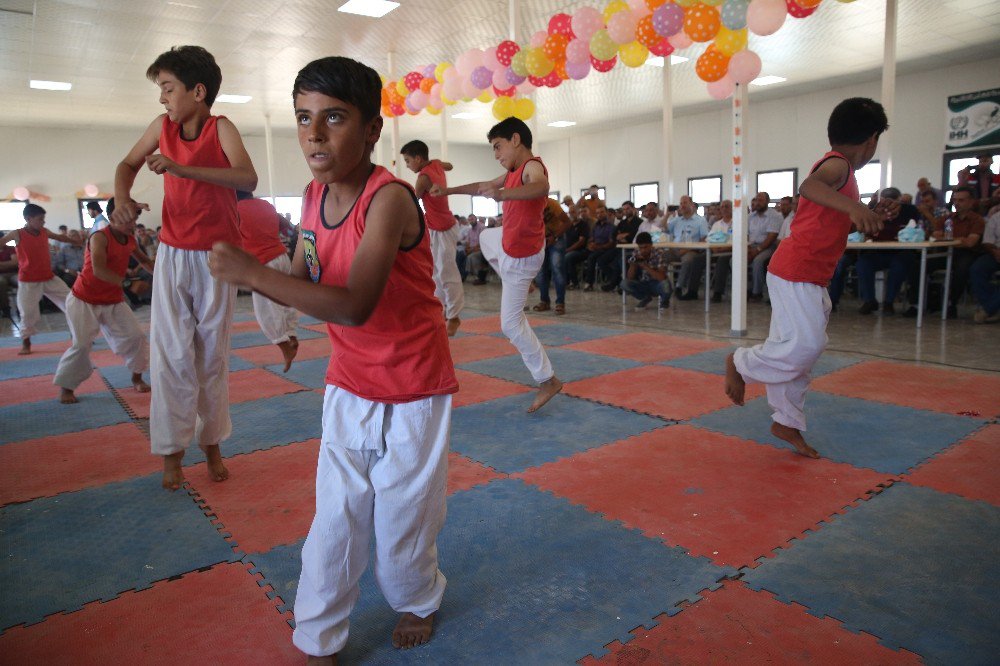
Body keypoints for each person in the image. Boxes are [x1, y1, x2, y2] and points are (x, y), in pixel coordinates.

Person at [207, 56, 457, 661]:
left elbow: (351, 307)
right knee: (336, 516)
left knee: (403, 510)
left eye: (334, 118)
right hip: (348, 382)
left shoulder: (390, 200)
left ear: (372, 130)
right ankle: (319, 634)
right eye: (303, 118)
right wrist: (256, 271)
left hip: (415, 384)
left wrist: (248, 273)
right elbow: (300, 275)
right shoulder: (314, 195)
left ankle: (417, 598)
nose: (313, 134)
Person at [111, 45, 258, 491]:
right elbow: (126, 164)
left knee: (211, 359)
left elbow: (247, 179)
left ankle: (211, 444)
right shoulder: (162, 127)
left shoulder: (221, 128)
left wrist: (183, 168)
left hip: (217, 257)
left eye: (168, 88)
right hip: (174, 255)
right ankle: (171, 452)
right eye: (161, 89)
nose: (162, 99)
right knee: (171, 357)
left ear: (198, 91)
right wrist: (121, 200)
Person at [725, 97, 890, 459]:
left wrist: (867, 215)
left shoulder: (846, 177)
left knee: (797, 350)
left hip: (809, 274)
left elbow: (828, 219)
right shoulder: (838, 166)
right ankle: (740, 363)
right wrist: (854, 207)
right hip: (796, 270)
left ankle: (787, 420)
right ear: (871, 140)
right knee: (804, 345)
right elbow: (809, 187)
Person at [431, 116, 562, 413]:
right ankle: (524, 281)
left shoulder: (531, 167)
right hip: (513, 247)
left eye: (498, 147)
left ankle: (547, 379)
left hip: (522, 253)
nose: (497, 154)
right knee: (490, 237)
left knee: (510, 324)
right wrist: (449, 192)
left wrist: (502, 195)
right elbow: (482, 186)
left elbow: (541, 188)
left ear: (516, 140)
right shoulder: (513, 171)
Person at [54, 203, 153, 404]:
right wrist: (127, 284)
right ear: (112, 216)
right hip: (84, 299)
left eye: (134, 219)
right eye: (127, 219)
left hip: (112, 300)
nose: (132, 224)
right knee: (81, 345)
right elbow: (99, 270)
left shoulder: (130, 240)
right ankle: (67, 387)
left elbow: (145, 262)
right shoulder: (99, 237)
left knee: (136, 337)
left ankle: (137, 378)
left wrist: (164, 276)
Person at [400, 140, 464, 336]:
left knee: (446, 272)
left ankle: (454, 316)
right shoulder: (435, 164)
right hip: (436, 227)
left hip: (444, 227)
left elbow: (412, 202)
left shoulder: (423, 178)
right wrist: (438, 162)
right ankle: (443, 310)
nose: (407, 165)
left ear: (418, 158)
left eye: (408, 160)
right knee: (435, 272)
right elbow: (450, 165)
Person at [0, 204, 82, 355]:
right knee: (27, 313)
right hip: (28, 281)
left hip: (49, 278)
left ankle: (77, 335)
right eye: (40, 219)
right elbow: (2, 241)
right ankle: (26, 343)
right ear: (28, 219)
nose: (43, 222)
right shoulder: (17, 234)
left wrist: (74, 241)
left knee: (72, 302)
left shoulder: (44, 231)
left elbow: (60, 237)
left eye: (44, 219)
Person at [237, 191, 300, 371]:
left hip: (263, 261)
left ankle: (284, 346)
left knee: (266, 307)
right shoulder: (266, 205)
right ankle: (291, 334)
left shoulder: (234, 209)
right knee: (286, 300)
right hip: (281, 256)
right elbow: (287, 227)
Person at [854, 187, 920, 315]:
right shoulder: (876, 210)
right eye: (885, 202)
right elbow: (865, 231)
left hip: (900, 252)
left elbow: (916, 229)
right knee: (862, 264)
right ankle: (869, 301)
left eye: (892, 202)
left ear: (899, 201)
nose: (889, 206)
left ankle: (889, 302)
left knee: (899, 266)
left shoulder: (909, 211)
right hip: (877, 251)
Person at [928, 185, 985, 318]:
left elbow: (971, 242)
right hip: (946, 252)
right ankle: (919, 303)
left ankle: (951, 303)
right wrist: (959, 240)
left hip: (967, 254)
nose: (957, 203)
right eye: (955, 200)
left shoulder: (977, 220)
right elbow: (935, 236)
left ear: (971, 202)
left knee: (962, 268)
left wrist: (948, 239)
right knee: (919, 264)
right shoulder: (946, 219)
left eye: (961, 200)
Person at [665, 195, 709, 300]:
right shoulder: (677, 220)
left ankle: (679, 287)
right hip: (675, 249)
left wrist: (686, 249)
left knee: (688, 260)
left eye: (685, 203)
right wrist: (666, 215)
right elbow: (664, 228)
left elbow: (703, 239)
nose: (682, 206)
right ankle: (663, 286)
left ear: (692, 205)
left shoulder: (700, 220)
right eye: (681, 203)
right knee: (661, 257)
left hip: (691, 250)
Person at [532, 198, 571, 314]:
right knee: (540, 272)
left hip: (557, 238)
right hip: (540, 240)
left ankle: (560, 302)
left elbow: (567, 222)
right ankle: (544, 301)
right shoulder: (527, 207)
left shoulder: (551, 204)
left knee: (557, 269)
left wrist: (554, 236)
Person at [621, 231, 671, 309]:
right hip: (644, 282)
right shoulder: (637, 253)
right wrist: (632, 266)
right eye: (640, 247)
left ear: (651, 245)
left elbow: (662, 278)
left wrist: (645, 266)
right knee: (624, 283)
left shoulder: (660, 253)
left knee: (666, 285)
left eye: (645, 247)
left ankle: (664, 301)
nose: (643, 250)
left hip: (657, 284)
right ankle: (645, 298)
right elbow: (629, 278)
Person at [971, 209, 1000, 323]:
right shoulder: (996, 218)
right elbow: (987, 241)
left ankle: (988, 309)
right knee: (976, 269)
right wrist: (995, 252)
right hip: (996, 253)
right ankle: (994, 305)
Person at [581, 204, 616, 291]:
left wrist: (598, 247)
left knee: (592, 258)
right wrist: (590, 244)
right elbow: (591, 238)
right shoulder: (596, 226)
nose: (599, 214)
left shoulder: (611, 227)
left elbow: (611, 243)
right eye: (597, 213)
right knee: (574, 256)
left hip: (605, 249)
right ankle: (572, 281)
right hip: (594, 248)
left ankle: (589, 283)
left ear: (606, 213)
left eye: (602, 212)